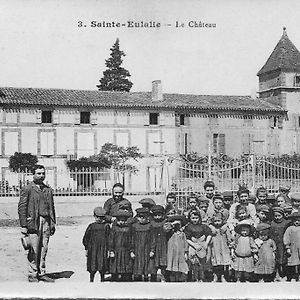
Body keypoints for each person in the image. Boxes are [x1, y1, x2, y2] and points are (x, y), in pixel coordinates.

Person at [18, 164, 56, 282]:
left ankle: (42, 272)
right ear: (33, 175)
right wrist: (24, 225)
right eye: (38, 173)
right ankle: (32, 274)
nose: (41, 175)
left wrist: (53, 223)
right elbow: (22, 208)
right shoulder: (28, 189)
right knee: (34, 249)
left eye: (43, 173)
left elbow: (52, 207)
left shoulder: (47, 189)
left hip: (46, 222)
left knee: (44, 248)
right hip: (34, 222)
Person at [82, 207, 110, 282]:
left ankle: (102, 279)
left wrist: (108, 249)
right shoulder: (91, 226)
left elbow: (109, 238)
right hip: (93, 248)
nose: (99, 219)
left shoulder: (106, 226)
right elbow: (86, 238)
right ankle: (91, 279)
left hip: (103, 248)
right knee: (92, 264)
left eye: (101, 217)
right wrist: (86, 248)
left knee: (102, 264)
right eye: (97, 217)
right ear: (94, 216)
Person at [184, 210, 212, 282]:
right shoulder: (188, 227)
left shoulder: (203, 226)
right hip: (193, 246)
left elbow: (209, 234)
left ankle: (202, 277)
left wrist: (206, 243)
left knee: (202, 263)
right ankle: (195, 278)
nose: (195, 220)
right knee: (194, 264)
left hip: (203, 246)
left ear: (199, 218)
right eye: (193, 218)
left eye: (196, 218)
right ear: (190, 218)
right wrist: (194, 245)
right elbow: (187, 238)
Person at [108, 210, 133, 282]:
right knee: (115, 264)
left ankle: (125, 277)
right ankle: (114, 277)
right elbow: (111, 239)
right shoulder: (114, 228)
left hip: (126, 250)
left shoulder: (128, 229)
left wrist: (131, 250)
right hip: (116, 250)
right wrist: (111, 250)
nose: (121, 222)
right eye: (119, 220)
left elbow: (131, 240)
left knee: (126, 265)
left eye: (123, 220)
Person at [164, 214, 189, 282]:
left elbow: (185, 243)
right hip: (171, 252)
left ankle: (179, 278)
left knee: (180, 265)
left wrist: (186, 252)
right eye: (176, 225)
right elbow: (165, 229)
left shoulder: (182, 234)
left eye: (178, 225)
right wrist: (172, 225)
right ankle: (172, 278)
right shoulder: (169, 232)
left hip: (180, 252)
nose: (177, 226)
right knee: (171, 264)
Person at [209, 213, 233, 282]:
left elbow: (229, 237)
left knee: (223, 262)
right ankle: (216, 275)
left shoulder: (224, 229)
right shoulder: (212, 229)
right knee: (216, 262)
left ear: (222, 221)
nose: (217, 223)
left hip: (223, 247)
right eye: (215, 221)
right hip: (215, 248)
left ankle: (223, 276)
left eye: (218, 221)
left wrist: (230, 243)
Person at [131, 207, 152, 282]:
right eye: (140, 217)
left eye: (144, 217)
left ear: (147, 217)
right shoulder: (134, 226)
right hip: (137, 248)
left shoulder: (150, 226)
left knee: (146, 262)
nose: (142, 219)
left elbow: (152, 239)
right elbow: (132, 239)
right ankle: (138, 277)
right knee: (138, 262)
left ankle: (146, 276)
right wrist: (132, 250)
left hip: (146, 247)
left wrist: (152, 250)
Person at [269, 207, 290, 281]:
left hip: (282, 244)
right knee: (275, 260)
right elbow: (270, 234)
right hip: (275, 243)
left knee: (283, 260)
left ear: (282, 215)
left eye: (279, 216)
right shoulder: (272, 223)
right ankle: (276, 275)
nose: (277, 218)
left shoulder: (286, 223)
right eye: (276, 216)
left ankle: (284, 274)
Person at [149, 205, 168, 282]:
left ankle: (164, 277)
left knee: (163, 262)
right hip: (154, 245)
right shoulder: (151, 224)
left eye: (159, 215)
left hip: (164, 244)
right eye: (155, 215)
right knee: (154, 263)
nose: (157, 217)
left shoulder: (165, 223)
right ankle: (153, 278)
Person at [283, 211, 300, 281]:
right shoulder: (290, 228)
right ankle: (291, 276)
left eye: (299, 221)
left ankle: (298, 276)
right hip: (293, 247)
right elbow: (286, 237)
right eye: (295, 221)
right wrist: (287, 247)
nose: (297, 222)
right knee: (292, 262)